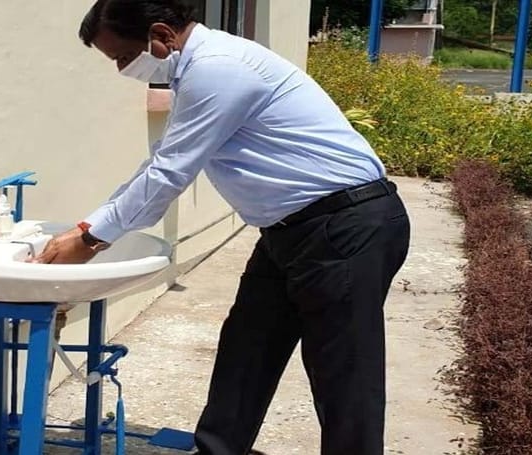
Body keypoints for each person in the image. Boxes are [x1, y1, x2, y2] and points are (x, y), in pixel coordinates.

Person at [34, 0, 411, 453]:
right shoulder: (198, 71)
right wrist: (88, 227)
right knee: (247, 348)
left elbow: (169, 173)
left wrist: (90, 239)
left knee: (343, 371)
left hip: (344, 225)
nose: (121, 69)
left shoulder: (219, 69)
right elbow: (159, 164)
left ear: (161, 35)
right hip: (289, 230)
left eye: (124, 56)